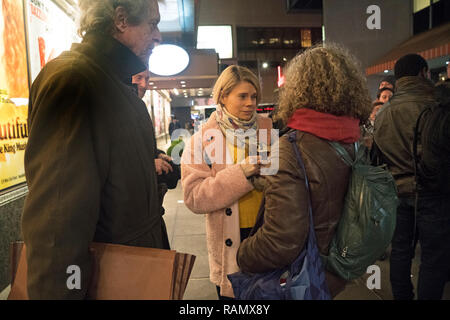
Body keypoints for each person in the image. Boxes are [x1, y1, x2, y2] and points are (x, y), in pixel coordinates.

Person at [22, 0, 167, 299]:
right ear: (121, 20)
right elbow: (58, 228)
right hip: (110, 281)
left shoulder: (110, 84)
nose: (158, 36)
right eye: (152, 24)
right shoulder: (74, 81)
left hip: (130, 276)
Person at [236, 44, 372, 298]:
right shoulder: (354, 139)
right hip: (335, 268)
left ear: (299, 90)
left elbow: (280, 242)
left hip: (302, 275)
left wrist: (243, 254)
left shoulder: (291, 148)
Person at [181, 65, 273, 299]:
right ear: (223, 96)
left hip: (270, 232)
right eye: (242, 96)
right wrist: (241, 173)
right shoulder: (201, 140)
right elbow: (194, 197)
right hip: (232, 240)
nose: (250, 103)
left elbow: (279, 181)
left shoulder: (266, 130)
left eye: (254, 96)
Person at [373, 53, 449, 300]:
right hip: (431, 192)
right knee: (433, 256)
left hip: (396, 192)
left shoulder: (384, 112)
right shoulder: (434, 105)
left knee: (401, 252)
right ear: (423, 73)